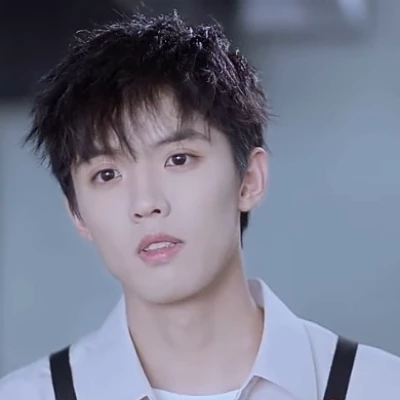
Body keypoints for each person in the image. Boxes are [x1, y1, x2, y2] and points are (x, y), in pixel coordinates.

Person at [0, 11, 399, 400]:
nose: (146, 203)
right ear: (77, 213)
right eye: (107, 174)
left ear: (249, 179)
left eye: (178, 159)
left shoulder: (377, 387)